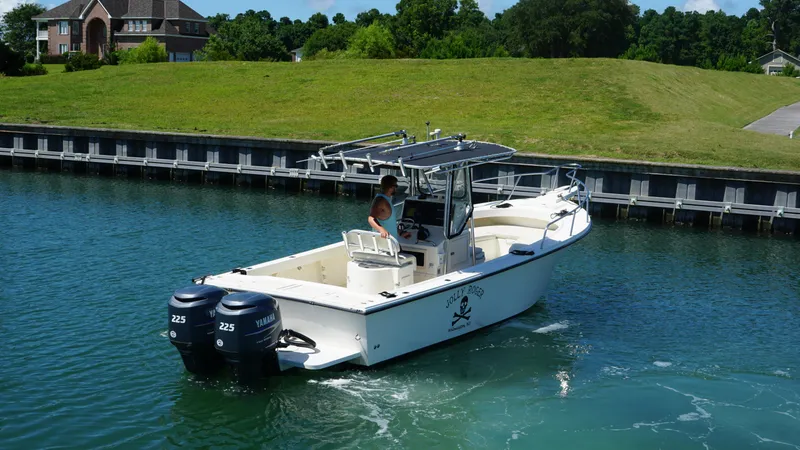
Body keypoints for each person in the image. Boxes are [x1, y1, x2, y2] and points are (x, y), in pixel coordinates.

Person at [368, 175, 411, 242]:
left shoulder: (387, 200)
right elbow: (371, 219)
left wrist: (401, 232)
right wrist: (381, 229)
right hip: (384, 245)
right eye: (396, 186)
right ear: (391, 187)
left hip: (391, 243)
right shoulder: (381, 201)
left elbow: (390, 224)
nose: (396, 188)